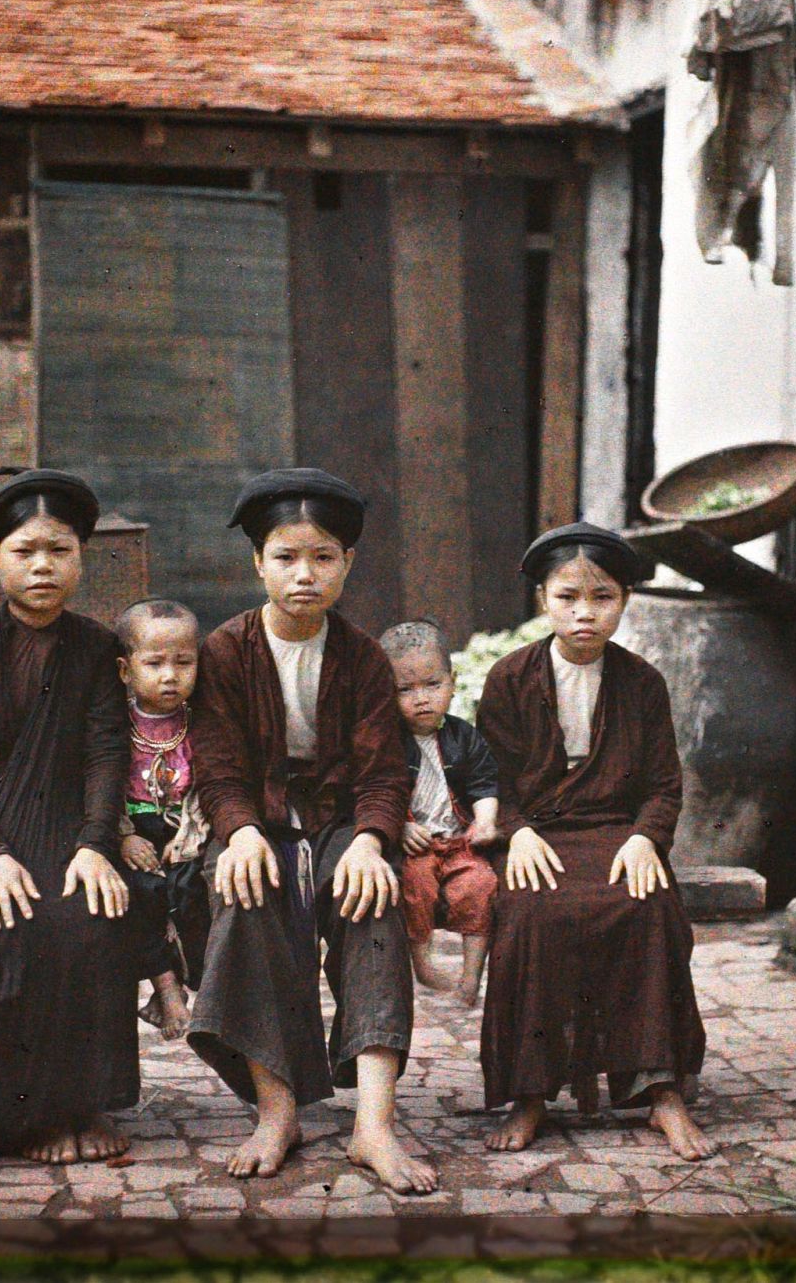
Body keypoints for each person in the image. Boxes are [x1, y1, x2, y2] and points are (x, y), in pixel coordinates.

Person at [185, 468, 437, 1194]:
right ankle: (277, 1110)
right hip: (255, 818)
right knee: (245, 895)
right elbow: (218, 767)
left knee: (373, 902)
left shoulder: (361, 656)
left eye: (323, 557)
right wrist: (238, 833)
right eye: (286, 557)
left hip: (340, 817)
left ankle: (374, 1125)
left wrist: (371, 841)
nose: (305, 575)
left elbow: (384, 772)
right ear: (257, 564)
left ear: (347, 564)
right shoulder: (225, 651)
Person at [476, 523, 715, 1161]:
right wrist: (517, 832)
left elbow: (662, 785)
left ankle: (660, 1089)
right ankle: (530, 1093)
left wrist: (644, 839)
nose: (585, 612)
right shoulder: (509, 679)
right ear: (542, 600)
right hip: (538, 833)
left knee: (648, 906)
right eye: (567, 596)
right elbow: (490, 778)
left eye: (602, 596)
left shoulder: (642, 683)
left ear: (625, 600)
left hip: (615, 832)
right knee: (530, 912)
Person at [0, 468, 139, 1163]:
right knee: (14, 925)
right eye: (25, 551)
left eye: (60, 550)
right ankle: (35, 1115)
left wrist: (95, 844)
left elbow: (107, 752)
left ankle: (89, 1105)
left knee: (91, 919)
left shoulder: (98, 648)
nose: (43, 566)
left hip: (71, 830)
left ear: (81, 558)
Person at [378, 619, 502, 1007]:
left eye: (433, 685)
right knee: (416, 888)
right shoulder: (387, 741)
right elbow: (376, 790)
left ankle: (471, 977)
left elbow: (484, 783)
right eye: (405, 689)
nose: (422, 699)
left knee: (481, 886)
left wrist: (485, 820)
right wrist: (399, 826)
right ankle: (424, 964)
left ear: (452, 682)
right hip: (417, 845)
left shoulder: (464, 736)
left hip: (459, 840)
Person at [112, 596, 210, 1039]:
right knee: (140, 893)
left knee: (193, 891)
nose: (170, 675)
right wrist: (123, 836)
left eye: (183, 662)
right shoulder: (116, 724)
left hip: (185, 829)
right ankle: (166, 988)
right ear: (125, 670)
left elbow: (208, 784)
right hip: (134, 830)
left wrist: (189, 834)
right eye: (154, 663)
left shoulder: (200, 722)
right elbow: (102, 784)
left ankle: (192, 982)